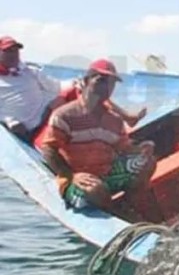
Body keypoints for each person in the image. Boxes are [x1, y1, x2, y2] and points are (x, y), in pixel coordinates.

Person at [37, 59, 157, 220]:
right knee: (96, 190)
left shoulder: (114, 119)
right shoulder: (64, 115)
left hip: (106, 174)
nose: (106, 87)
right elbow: (49, 150)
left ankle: (129, 203)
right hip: (77, 179)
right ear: (86, 81)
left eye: (111, 83)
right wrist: (71, 175)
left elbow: (124, 148)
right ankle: (117, 214)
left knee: (147, 162)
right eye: (100, 80)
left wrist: (142, 148)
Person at [0, 36, 144, 145]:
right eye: (8, 51)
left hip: (46, 112)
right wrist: (9, 120)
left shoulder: (29, 71)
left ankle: (125, 119)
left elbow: (56, 86)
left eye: (15, 50)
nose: (14, 54)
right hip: (26, 127)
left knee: (87, 89)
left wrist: (77, 82)